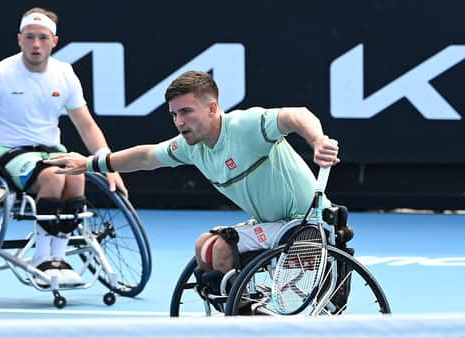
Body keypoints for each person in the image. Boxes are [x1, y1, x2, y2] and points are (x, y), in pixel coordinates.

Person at [45, 70, 340, 283]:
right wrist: (90, 163)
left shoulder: (245, 126)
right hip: (274, 226)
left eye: (186, 112)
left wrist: (317, 141)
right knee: (203, 247)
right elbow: (146, 157)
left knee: (220, 249)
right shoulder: (190, 147)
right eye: (174, 115)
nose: (179, 122)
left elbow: (295, 115)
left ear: (212, 108)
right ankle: (241, 327)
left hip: (308, 224)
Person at [0, 7, 126, 285]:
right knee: (53, 177)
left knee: (77, 178)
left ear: (54, 41)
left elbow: (86, 124)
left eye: (42, 37)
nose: (35, 44)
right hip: (8, 151)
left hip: (50, 151)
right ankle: (41, 258)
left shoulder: (65, 74)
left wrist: (106, 163)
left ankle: (58, 258)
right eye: (29, 37)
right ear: (19, 39)